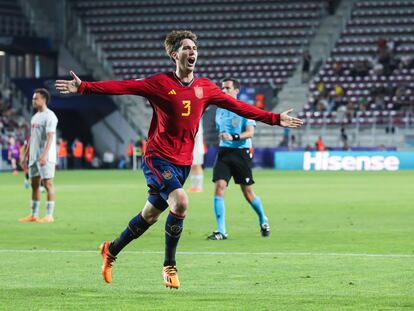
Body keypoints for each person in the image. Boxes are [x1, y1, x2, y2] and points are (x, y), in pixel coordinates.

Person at [55, 30, 303, 289]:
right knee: (181, 201)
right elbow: (123, 86)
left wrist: (275, 118)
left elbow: (240, 107)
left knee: (149, 216)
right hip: (157, 157)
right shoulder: (159, 83)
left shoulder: (205, 88)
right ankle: (169, 266)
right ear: (175, 55)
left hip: (182, 162)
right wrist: (84, 87)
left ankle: (111, 249)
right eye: (186, 48)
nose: (192, 51)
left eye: (194, 47)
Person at [208, 78, 270, 240]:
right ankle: (221, 231)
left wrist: (233, 136)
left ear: (236, 91)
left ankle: (263, 219)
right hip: (224, 151)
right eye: (222, 88)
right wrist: (225, 137)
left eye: (227, 88)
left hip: (241, 152)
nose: (223, 91)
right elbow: (221, 130)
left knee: (247, 192)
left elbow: (250, 133)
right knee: (219, 187)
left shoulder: (244, 109)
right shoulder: (219, 110)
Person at [19, 88, 58, 223]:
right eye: (33, 98)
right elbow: (32, 138)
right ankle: (34, 214)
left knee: (48, 184)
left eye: (36, 98)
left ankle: (49, 215)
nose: (33, 100)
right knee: (34, 185)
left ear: (43, 99)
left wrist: (44, 155)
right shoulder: (35, 117)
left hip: (45, 157)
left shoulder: (50, 116)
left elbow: (50, 137)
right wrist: (26, 154)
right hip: (34, 157)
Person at [187, 119, 205, 193]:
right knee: (192, 166)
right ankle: (194, 186)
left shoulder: (197, 122)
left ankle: (199, 187)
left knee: (197, 166)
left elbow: (196, 135)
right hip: (192, 148)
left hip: (197, 148)